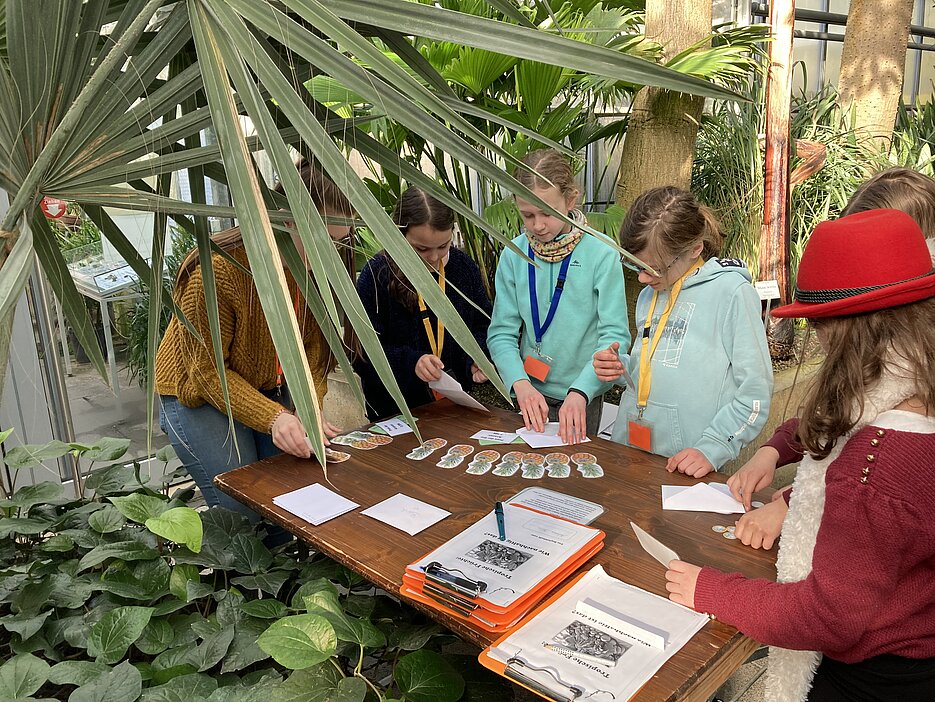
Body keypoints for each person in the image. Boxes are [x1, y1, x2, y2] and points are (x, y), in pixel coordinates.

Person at [666, 209, 935, 702]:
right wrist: (774, 451)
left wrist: (711, 590)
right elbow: (834, 420)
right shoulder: (915, 392)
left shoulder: (875, 465)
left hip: (880, 670)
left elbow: (826, 617)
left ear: (843, 333)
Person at [727, 166, 935, 549]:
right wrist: (775, 449)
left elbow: (881, 476)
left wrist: (793, 503)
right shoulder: (881, 340)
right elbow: (842, 418)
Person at [156, 162, 353, 517]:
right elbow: (206, 373)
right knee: (242, 505)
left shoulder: (308, 270)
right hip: (196, 395)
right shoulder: (216, 270)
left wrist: (309, 407)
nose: (330, 254)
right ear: (286, 220)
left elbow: (314, 351)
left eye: (338, 243)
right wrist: (275, 418)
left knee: (293, 497)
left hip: (265, 386)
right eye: (323, 240)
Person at [592, 186, 772, 477]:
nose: (641, 277)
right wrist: (621, 368)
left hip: (687, 465)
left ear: (694, 250)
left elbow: (755, 393)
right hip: (630, 450)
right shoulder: (651, 293)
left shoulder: (733, 293)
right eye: (634, 265)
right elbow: (652, 366)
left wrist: (714, 446)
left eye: (654, 268)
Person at [486, 149, 628, 444]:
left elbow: (614, 337)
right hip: (528, 391)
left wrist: (582, 391)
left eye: (547, 212)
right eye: (527, 215)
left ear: (571, 200)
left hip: (580, 397)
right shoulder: (513, 254)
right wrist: (519, 383)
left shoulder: (602, 253)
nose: (538, 225)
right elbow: (501, 332)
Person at [354, 186, 493, 420]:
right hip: (395, 413)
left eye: (444, 246)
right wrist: (411, 362)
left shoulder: (463, 267)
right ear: (399, 235)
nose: (434, 257)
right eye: (422, 248)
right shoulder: (376, 275)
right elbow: (360, 353)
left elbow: (483, 325)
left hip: (454, 407)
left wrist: (476, 360)